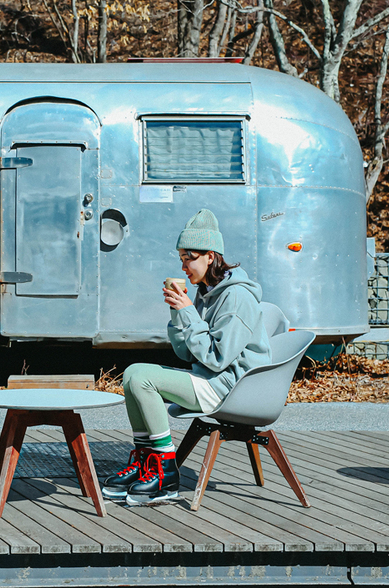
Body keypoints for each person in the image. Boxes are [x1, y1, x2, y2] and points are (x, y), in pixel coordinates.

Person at [103, 209, 271, 506]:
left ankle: (165, 473)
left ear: (210, 255)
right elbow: (186, 352)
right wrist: (177, 313)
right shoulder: (207, 292)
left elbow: (218, 359)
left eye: (189, 257)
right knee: (132, 373)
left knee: (143, 378)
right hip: (210, 378)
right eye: (181, 258)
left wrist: (189, 314)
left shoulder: (237, 297)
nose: (184, 266)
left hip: (232, 388)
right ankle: (146, 460)